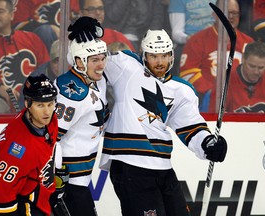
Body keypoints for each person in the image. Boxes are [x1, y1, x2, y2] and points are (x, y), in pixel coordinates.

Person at [68, 17, 228, 216]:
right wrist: (87, 38)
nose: (159, 62)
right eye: (153, 56)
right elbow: (88, 60)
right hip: (129, 166)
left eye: (164, 56)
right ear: (143, 55)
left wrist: (208, 144)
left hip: (163, 167)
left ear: (172, 56)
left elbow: (191, 127)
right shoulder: (126, 66)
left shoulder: (182, 90)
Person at [0, 74, 58, 215]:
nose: (47, 112)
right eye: (40, 105)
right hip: (27, 205)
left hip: (42, 197)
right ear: (27, 104)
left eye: (50, 104)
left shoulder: (50, 119)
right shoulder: (18, 149)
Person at [54, 37, 109, 215]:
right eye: (95, 60)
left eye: (103, 58)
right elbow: (50, 136)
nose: (101, 65)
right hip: (70, 182)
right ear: (79, 61)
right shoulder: (73, 94)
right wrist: (55, 171)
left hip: (81, 179)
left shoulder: (95, 80)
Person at [179, 0, 254, 113]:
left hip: (242, 101)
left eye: (235, 13)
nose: (231, 17)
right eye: (226, 13)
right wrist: (214, 92)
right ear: (214, 14)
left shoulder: (248, 43)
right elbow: (188, 73)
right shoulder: (197, 40)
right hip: (206, 102)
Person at [0, 0, 50, 114]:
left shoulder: (32, 38)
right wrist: (0, 89)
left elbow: (47, 69)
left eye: (0, 11)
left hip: (35, 100)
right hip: (3, 101)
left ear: (11, 15)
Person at [168, 0, 217, 76]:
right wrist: (190, 38)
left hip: (216, 42)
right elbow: (176, 33)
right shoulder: (178, 1)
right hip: (191, 44)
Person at [226, 41, 265, 113]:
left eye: (261, 68)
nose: (256, 72)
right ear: (243, 59)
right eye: (252, 66)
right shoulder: (226, 82)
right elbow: (215, 119)